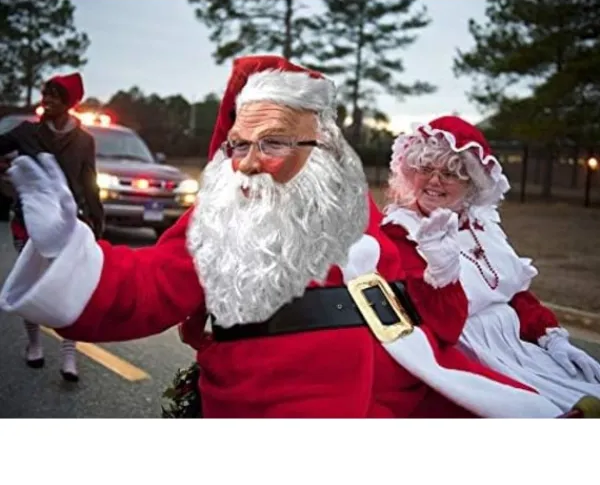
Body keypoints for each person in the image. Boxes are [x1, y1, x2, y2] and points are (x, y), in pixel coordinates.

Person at [0, 56, 568, 417]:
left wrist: (442, 273)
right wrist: (65, 250)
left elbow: (429, 321)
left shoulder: (360, 211)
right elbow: (146, 287)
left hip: (396, 397)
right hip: (281, 405)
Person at [381, 115, 600, 412]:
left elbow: (513, 294)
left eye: (450, 173)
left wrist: (550, 337)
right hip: (465, 357)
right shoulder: (400, 232)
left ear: (472, 185)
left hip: (518, 348)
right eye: (425, 169)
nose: (434, 180)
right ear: (410, 173)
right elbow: (442, 328)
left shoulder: (481, 227)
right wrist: (442, 272)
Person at [0, 72, 104, 382]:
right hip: (28, 221)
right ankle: (34, 345)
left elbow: (90, 182)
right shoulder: (26, 132)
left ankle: (69, 355)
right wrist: (8, 172)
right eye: (45, 94)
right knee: (32, 282)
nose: (47, 100)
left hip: (69, 224)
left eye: (55, 96)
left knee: (68, 286)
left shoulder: (84, 140)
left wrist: (97, 219)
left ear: (69, 102)